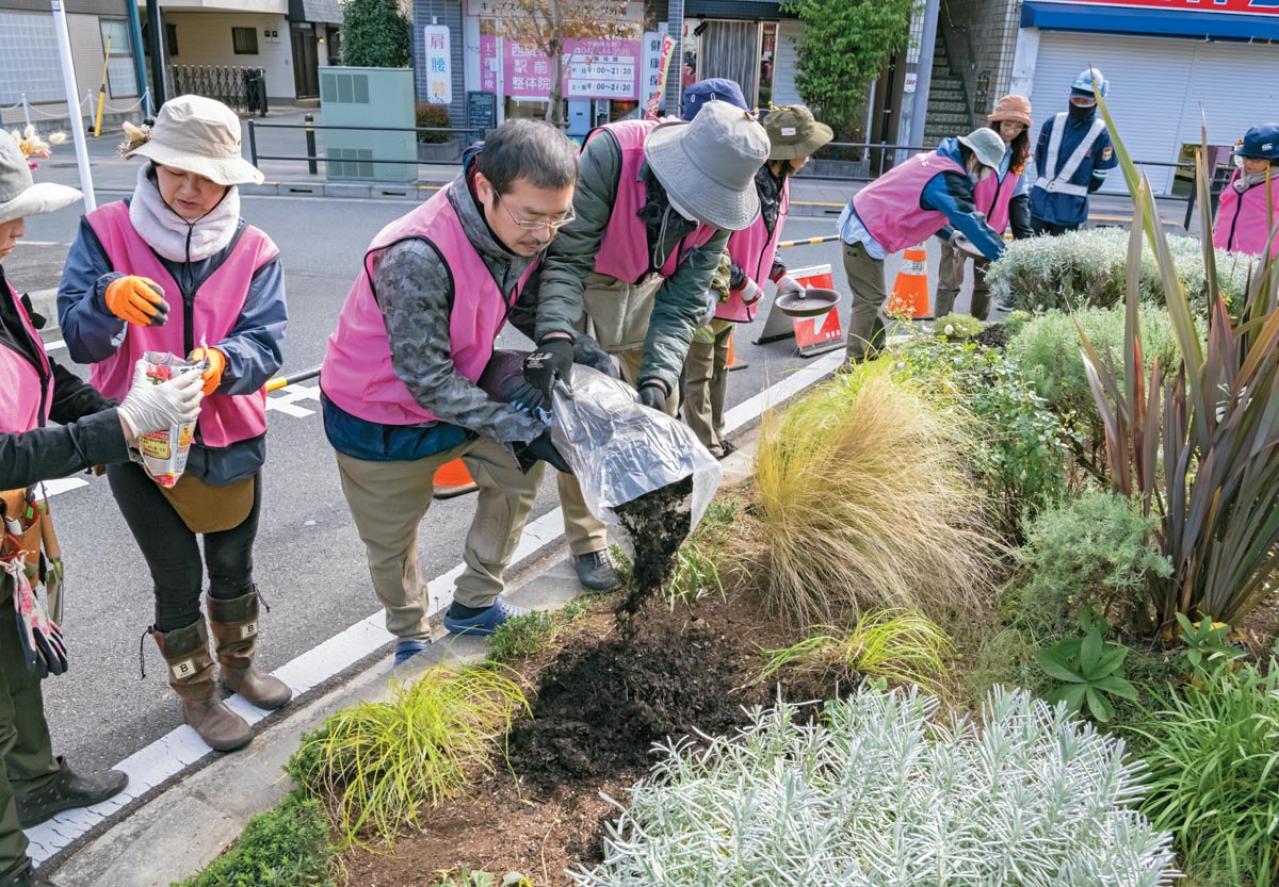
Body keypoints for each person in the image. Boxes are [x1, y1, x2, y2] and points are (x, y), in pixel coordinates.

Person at [0, 131, 205, 887]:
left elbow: (43, 372)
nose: (19, 230)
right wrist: (118, 428)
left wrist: (121, 410)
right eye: (7, 215)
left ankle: (38, 783)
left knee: (17, 662)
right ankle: (9, 864)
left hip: (9, 527)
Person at [58, 96, 290, 753]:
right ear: (151, 163)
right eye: (173, 170)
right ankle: (197, 694)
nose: (188, 188)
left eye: (206, 174)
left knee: (233, 561)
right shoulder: (106, 231)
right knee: (176, 578)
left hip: (231, 432)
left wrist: (226, 362)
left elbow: (267, 342)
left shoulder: (254, 248)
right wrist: (104, 298)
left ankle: (241, 665)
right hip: (139, 438)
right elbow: (81, 340)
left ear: (232, 176)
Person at [320, 120, 580, 659]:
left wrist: (572, 348)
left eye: (559, 217)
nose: (544, 234)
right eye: (532, 216)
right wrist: (522, 428)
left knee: (518, 471)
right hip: (378, 414)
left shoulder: (515, 228)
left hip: (462, 382)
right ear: (485, 188)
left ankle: (475, 604)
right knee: (392, 542)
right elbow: (427, 379)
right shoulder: (417, 253)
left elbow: (521, 298)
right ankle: (412, 635)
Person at [517, 98, 769, 592]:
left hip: (650, 290)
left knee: (660, 407)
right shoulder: (613, 157)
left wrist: (656, 378)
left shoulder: (722, 209)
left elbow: (682, 305)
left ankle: (655, 530)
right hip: (590, 280)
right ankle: (589, 540)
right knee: (586, 414)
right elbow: (566, 262)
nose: (703, 215)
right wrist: (558, 337)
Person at [685, 100, 832, 458]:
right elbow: (710, 242)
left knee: (719, 367)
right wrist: (741, 281)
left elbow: (765, 240)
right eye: (805, 150)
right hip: (710, 290)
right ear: (786, 152)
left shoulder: (780, 182)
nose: (808, 157)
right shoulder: (743, 180)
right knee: (699, 372)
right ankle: (701, 445)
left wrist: (780, 276)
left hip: (734, 296)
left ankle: (715, 434)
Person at [837, 128, 1008, 363]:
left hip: (866, 219)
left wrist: (950, 235)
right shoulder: (946, 177)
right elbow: (971, 221)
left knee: (872, 296)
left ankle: (874, 352)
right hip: (864, 228)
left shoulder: (939, 163)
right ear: (974, 158)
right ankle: (853, 364)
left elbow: (922, 208)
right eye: (985, 169)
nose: (983, 176)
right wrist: (1006, 257)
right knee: (869, 299)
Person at [934, 95, 1035, 320]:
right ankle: (941, 333)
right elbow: (957, 188)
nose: (1012, 131)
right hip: (961, 226)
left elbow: (1019, 198)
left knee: (986, 286)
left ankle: (977, 333)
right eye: (1008, 124)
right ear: (997, 122)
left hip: (992, 230)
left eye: (1019, 127)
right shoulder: (976, 149)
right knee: (950, 284)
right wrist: (953, 226)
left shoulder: (1020, 158)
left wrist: (1024, 238)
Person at [1028, 67, 1117, 236]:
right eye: (1076, 99)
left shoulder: (1102, 133)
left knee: (1062, 260)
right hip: (1039, 204)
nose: (1079, 104)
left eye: (1085, 101)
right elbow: (1039, 158)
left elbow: (1099, 177)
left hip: (1070, 210)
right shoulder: (1052, 123)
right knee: (1030, 252)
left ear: (1097, 101)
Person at [1213, 123, 1279, 258]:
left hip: (1255, 263)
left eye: (1256, 159)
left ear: (1273, 161)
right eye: (1246, 156)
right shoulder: (1238, 176)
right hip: (1220, 257)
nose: (1248, 163)